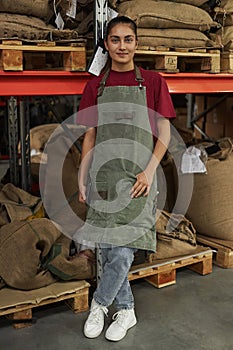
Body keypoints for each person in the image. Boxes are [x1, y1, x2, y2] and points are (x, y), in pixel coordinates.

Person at [76, 15, 176, 342]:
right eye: (115, 40)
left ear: (137, 43)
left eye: (128, 39)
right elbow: (90, 136)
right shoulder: (96, 86)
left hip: (138, 178)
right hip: (105, 175)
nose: (122, 46)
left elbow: (164, 131)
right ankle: (126, 309)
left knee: (121, 248)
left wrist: (149, 170)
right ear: (106, 44)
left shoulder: (153, 82)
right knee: (108, 245)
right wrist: (82, 175)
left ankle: (100, 305)